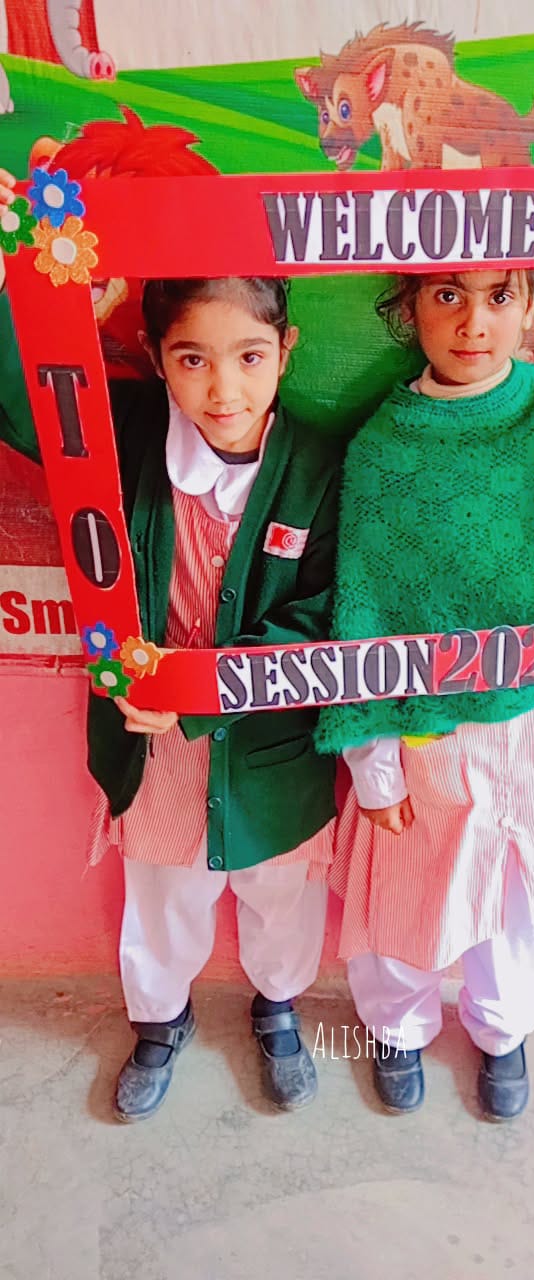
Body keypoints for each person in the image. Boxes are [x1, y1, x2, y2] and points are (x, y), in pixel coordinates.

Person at [0, 168, 340, 1120]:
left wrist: (206, 693)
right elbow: (24, 406)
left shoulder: (318, 465)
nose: (223, 388)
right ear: (155, 358)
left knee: (280, 892)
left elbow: (320, 615)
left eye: (249, 356)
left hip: (271, 747)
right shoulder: (124, 434)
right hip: (153, 749)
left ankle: (279, 1008)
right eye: (193, 358)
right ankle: (159, 1020)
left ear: (286, 352)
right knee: (161, 898)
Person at [316, 266, 534, 1120]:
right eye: (448, 296)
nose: (474, 322)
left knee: (515, 898)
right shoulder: (385, 451)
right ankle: (395, 1027)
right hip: (425, 733)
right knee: (407, 894)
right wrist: (374, 770)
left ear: (531, 305)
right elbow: (362, 620)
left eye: (499, 297)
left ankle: (503, 1030)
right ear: (409, 309)